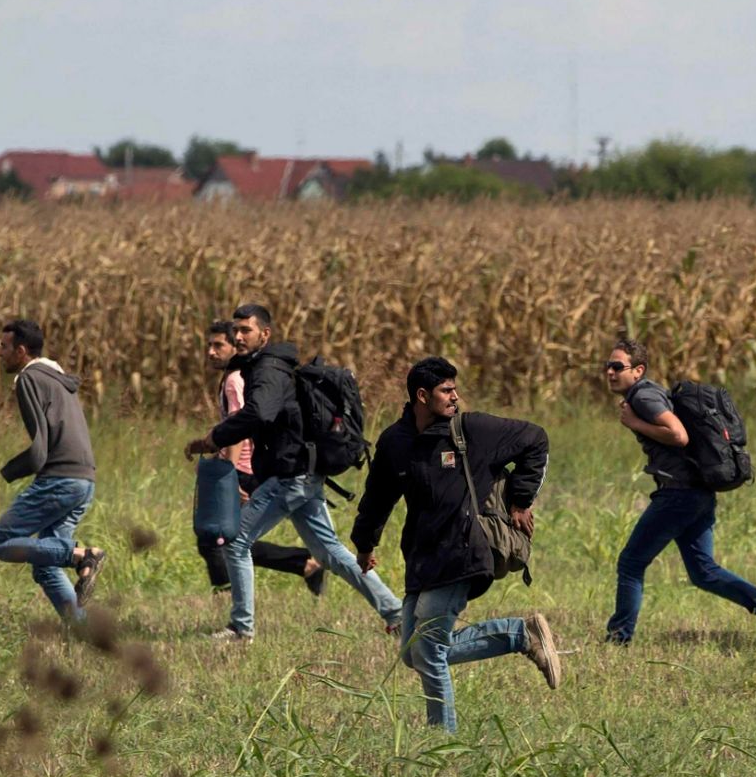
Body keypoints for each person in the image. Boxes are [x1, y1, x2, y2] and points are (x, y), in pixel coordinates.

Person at [351, 357, 562, 732]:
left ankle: (441, 743)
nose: (455, 396)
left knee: (428, 650)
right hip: (422, 555)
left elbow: (536, 439)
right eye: (446, 390)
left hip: (464, 549)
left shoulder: (471, 430)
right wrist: (365, 545)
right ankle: (521, 633)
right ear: (421, 395)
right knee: (412, 653)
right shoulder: (395, 442)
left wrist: (521, 499)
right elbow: (378, 497)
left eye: (454, 389)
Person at [183, 303, 400, 643]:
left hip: (291, 477)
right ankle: (396, 613)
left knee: (237, 541)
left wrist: (214, 438)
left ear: (264, 334)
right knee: (331, 553)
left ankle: (241, 628)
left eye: (246, 331)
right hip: (300, 474)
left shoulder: (268, 369)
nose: (238, 337)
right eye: (235, 331)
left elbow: (259, 413)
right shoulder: (264, 366)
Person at [602, 337, 756, 644]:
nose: (610, 373)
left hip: (678, 495)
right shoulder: (650, 392)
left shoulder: (643, 398)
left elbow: (677, 435)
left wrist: (635, 423)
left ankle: (618, 638)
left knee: (631, 563)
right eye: (607, 367)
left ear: (638, 370)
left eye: (617, 367)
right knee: (704, 572)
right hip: (697, 494)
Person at [196, 318, 325, 599]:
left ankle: (230, 597)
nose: (211, 352)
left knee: (219, 538)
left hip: (241, 470)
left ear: (235, 348)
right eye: (209, 345)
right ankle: (304, 562)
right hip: (250, 469)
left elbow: (241, 428)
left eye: (219, 345)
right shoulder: (237, 377)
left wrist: (227, 478)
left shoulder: (234, 380)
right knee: (228, 537)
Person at [0, 318, 105, 622]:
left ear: (21, 350)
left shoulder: (29, 379)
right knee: (45, 562)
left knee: (0, 543)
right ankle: (79, 628)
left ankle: (83, 556)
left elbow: (39, 451)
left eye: (4, 347)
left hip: (60, 479)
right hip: (84, 480)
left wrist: (7, 472)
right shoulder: (56, 377)